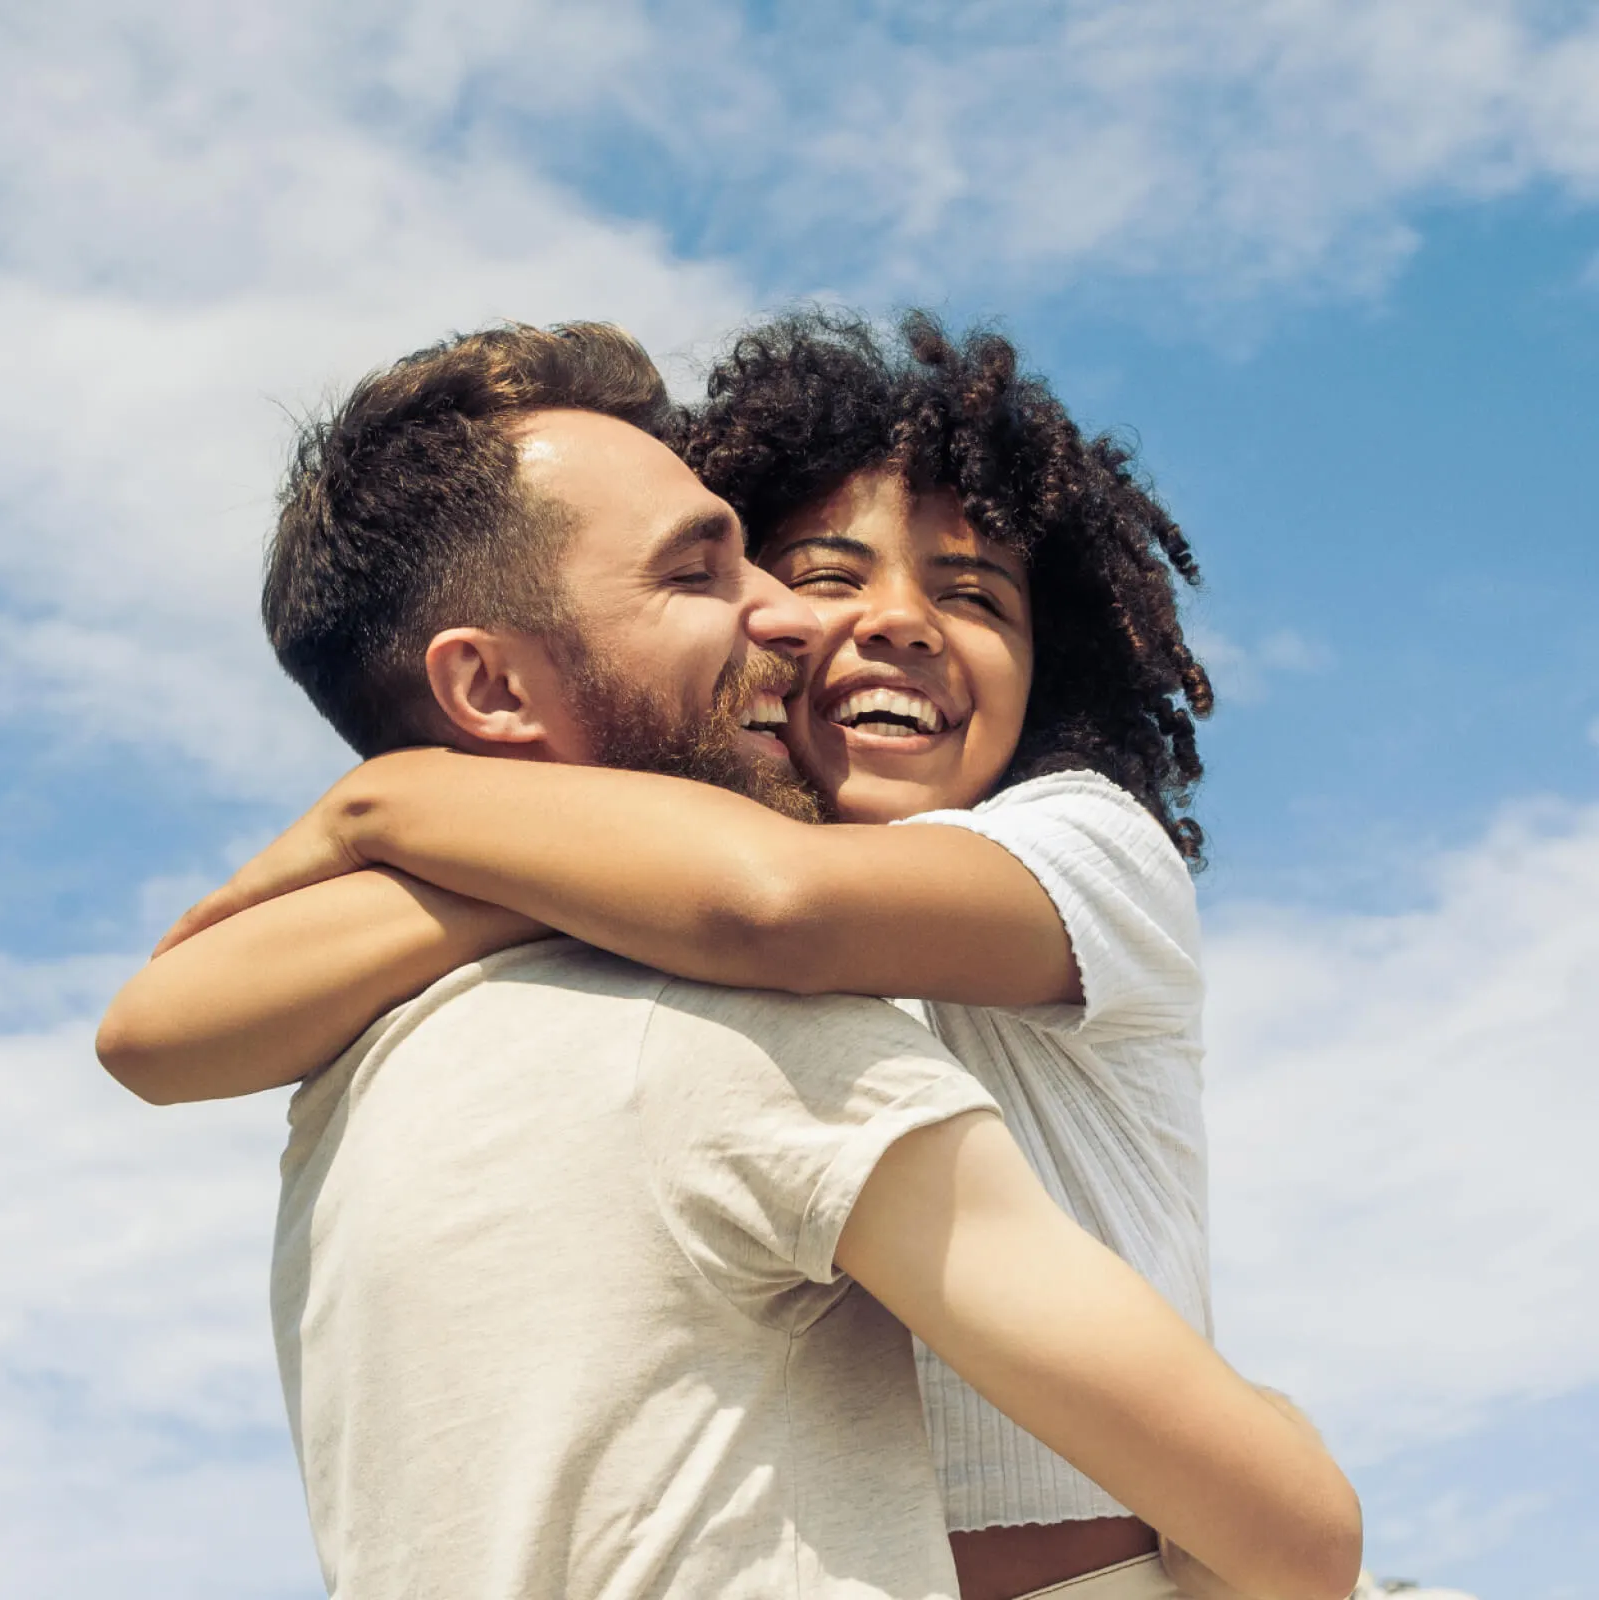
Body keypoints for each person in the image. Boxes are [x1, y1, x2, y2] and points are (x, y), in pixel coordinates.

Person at [96, 320, 1359, 1599]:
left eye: (977, 598)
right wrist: (517, 862)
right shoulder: (657, 900)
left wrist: (386, 806)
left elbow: (779, 905)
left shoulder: (1077, 847)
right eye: (813, 575)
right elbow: (154, 1027)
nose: (899, 624)